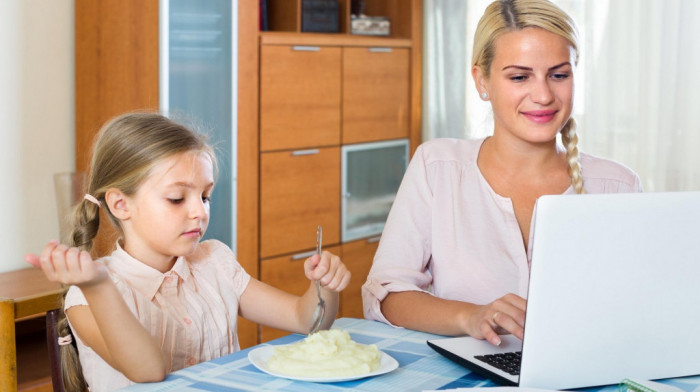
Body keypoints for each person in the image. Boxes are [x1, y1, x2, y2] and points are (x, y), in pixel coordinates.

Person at [362, 0, 642, 347]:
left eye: (558, 74)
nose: (543, 95)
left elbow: (640, 310)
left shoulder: (619, 186)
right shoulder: (438, 168)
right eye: (520, 76)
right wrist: (471, 316)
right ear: (482, 80)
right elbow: (388, 295)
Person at [25, 112, 351, 391]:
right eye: (178, 199)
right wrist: (98, 286)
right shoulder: (88, 295)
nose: (200, 211)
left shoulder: (215, 262)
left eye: (205, 196)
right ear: (121, 204)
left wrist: (324, 284)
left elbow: (306, 320)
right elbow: (147, 371)